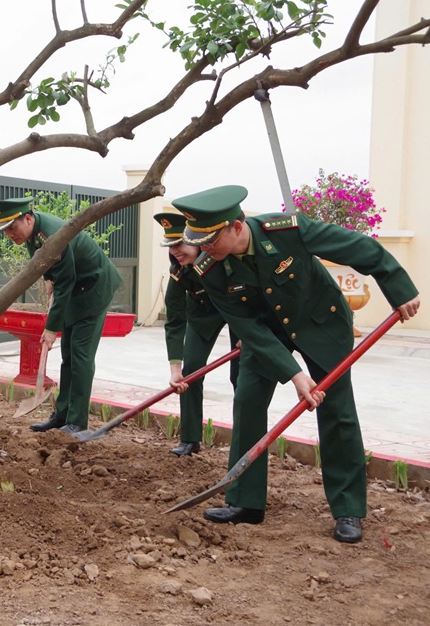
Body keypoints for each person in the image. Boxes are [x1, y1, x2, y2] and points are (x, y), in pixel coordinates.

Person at [172, 185, 420, 543]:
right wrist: (294, 375)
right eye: (200, 242)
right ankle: (245, 502)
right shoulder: (210, 270)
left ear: (236, 228)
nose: (205, 248)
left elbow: (360, 248)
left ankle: (347, 508)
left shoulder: (288, 230)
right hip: (266, 335)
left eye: (210, 240)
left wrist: (399, 289)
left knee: (336, 410)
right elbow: (248, 328)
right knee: (248, 400)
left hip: (321, 323)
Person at [0, 197, 122, 434]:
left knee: (80, 356)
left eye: (12, 228)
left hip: (94, 288)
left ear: (28, 219)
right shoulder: (33, 233)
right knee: (68, 355)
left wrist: (50, 329)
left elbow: (66, 281)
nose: (9, 235)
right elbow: (44, 262)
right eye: (4, 231)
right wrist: (48, 280)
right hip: (76, 288)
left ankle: (77, 422)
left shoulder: (52, 236)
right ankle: (63, 415)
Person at [155, 212, 239, 456]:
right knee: (190, 372)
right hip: (202, 314)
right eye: (170, 247)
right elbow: (174, 321)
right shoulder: (179, 272)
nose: (174, 252)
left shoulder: (222, 258)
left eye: (178, 244)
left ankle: (244, 438)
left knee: (241, 375)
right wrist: (175, 369)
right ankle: (190, 440)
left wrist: (250, 333)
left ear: (195, 240)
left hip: (238, 313)